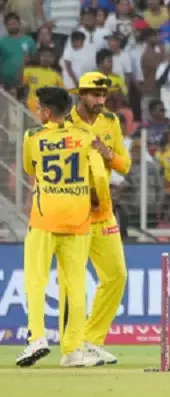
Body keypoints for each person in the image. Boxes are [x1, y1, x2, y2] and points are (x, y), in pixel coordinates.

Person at [16, 86, 110, 367]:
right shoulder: (85, 137)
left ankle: (37, 338)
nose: (37, 112)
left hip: (44, 219)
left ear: (46, 112)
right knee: (76, 285)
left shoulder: (33, 137)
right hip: (78, 220)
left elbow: (30, 169)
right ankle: (73, 351)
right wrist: (100, 204)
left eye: (38, 108)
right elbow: (100, 178)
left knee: (36, 280)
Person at [57, 72, 131, 365]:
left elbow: (125, 165)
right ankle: (70, 349)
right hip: (73, 212)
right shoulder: (65, 124)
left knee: (116, 275)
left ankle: (91, 341)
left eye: (103, 95)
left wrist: (108, 153)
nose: (101, 100)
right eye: (95, 95)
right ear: (81, 95)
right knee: (71, 282)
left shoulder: (110, 122)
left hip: (103, 212)